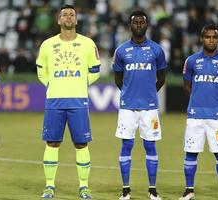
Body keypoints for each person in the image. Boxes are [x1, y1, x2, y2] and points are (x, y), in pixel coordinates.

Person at [36, 4, 100, 199]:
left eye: (72, 14)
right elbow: (41, 71)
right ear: (58, 20)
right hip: (54, 100)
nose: (68, 17)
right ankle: (49, 186)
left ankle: (83, 186)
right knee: (52, 142)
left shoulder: (88, 43)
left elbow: (95, 71)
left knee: (81, 144)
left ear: (77, 20)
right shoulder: (47, 44)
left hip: (78, 100)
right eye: (65, 15)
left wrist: (80, 84)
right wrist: (53, 85)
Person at [112, 10, 166, 200]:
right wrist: (130, 92)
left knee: (150, 146)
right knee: (126, 145)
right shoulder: (121, 50)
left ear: (147, 25)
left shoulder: (157, 50)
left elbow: (162, 78)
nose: (139, 25)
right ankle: (126, 190)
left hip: (149, 107)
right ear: (130, 25)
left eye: (142, 22)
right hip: (127, 107)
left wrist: (148, 94)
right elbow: (118, 79)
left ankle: (152, 190)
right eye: (135, 23)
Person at [179, 24, 218, 200]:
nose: (211, 40)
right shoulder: (192, 61)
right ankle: (189, 190)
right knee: (191, 152)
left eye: (214, 37)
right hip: (195, 115)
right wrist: (197, 99)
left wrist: (216, 99)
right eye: (208, 37)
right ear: (202, 39)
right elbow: (187, 84)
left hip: (217, 116)